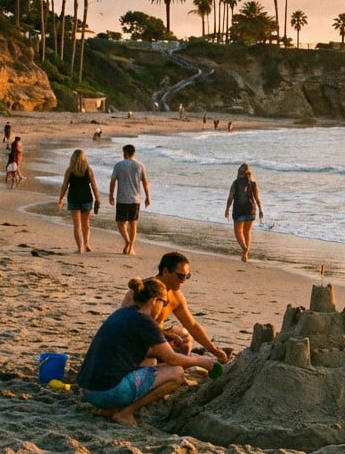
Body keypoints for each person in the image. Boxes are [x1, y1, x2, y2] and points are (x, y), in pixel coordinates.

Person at [76, 277, 217, 426]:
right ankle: (125, 413)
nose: (163, 308)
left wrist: (164, 336)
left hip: (89, 390)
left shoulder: (123, 313)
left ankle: (108, 410)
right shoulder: (146, 321)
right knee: (176, 373)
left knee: (150, 362)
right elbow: (173, 359)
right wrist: (203, 361)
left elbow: (132, 349)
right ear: (155, 300)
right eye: (164, 303)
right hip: (106, 393)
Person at [120, 252, 232, 363]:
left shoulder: (176, 295)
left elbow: (192, 325)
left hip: (158, 335)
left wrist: (214, 349)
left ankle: (195, 353)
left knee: (186, 338)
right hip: (139, 339)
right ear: (165, 271)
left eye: (187, 276)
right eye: (180, 276)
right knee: (173, 358)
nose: (184, 280)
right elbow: (135, 325)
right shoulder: (146, 291)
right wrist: (167, 336)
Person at [109, 143, 151, 256]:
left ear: (126, 153)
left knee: (120, 223)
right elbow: (145, 182)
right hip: (135, 199)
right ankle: (131, 248)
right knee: (133, 224)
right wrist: (148, 196)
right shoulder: (140, 165)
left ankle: (127, 241)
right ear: (134, 153)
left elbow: (113, 181)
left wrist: (111, 196)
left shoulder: (118, 165)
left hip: (122, 199)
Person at [57, 149, 101, 254]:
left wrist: (60, 198)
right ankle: (86, 244)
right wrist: (97, 198)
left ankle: (80, 248)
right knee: (86, 224)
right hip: (87, 199)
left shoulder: (70, 170)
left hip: (74, 199)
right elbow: (94, 185)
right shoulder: (88, 170)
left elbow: (64, 186)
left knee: (77, 225)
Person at [223, 163, 264, 262]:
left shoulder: (235, 183)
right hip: (251, 210)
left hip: (239, 210)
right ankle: (245, 253)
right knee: (247, 232)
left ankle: (244, 248)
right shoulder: (253, 184)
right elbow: (257, 199)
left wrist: (227, 209)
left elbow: (230, 197)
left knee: (238, 232)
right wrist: (261, 210)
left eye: (239, 172)